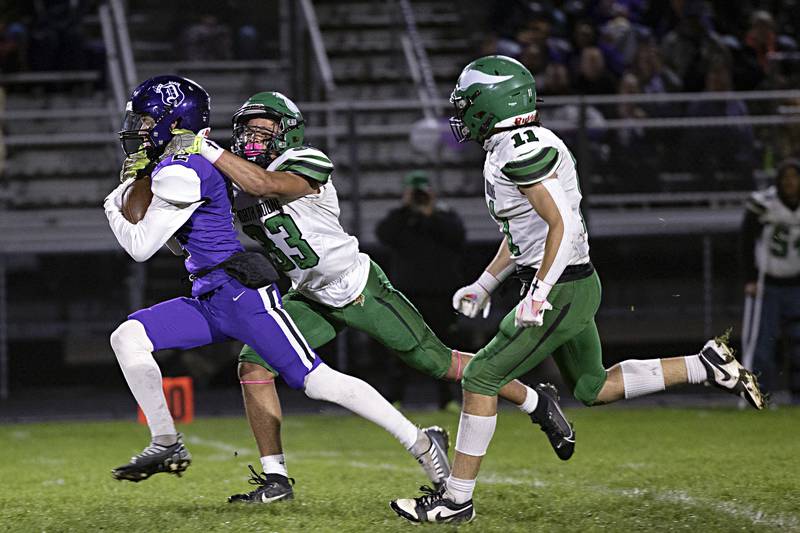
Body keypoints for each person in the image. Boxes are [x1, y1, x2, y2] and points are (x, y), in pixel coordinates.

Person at [390, 55, 766, 524]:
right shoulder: (512, 144)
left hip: (562, 287)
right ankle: (703, 365)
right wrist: (486, 283)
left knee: (480, 377)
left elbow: (562, 224)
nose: (462, 114)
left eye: (468, 104)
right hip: (571, 282)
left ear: (493, 101)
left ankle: (456, 498)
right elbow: (526, 234)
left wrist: (540, 291)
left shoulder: (518, 148)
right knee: (591, 386)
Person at [187, 91, 575, 503]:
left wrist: (203, 147)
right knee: (253, 364)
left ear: (288, 133)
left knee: (438, 362)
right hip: (310, 294)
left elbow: (263, 184)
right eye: (247, 130)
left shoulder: (303, 161)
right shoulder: (236, 177)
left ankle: (535, 400)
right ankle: (276, 478)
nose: (253, 138)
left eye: (265, 130)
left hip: (359, 289)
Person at [104, 76, 450, 488]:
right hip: (210, 293)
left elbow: (140, 246)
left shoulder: (186, 167)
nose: (139, 128)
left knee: (316, 382)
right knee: (128, 337)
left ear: (172, 122)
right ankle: (166, 441)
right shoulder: (176, 166)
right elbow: (182, 247)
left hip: (240, 293)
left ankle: (421, 442)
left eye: (146, 120)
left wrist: (111, 202)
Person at [376, 170, 466, 410]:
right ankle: (395, 397)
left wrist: (429, 214)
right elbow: (384, 234)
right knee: (400, 344)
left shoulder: (443, 216)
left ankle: (447, 398)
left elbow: (457, 236)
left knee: (444, 346)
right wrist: (408, 210)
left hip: (439, 294)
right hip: (408, 294)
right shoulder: (400, 218)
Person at [742, 158, 800, 400]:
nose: (790, 182)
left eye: (794, 177)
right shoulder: (765, 203)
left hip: (797, 284)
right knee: (762, 344)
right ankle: (759, 394)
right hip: (769, 285)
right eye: (785, 177)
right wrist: (750, 278)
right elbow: (745, 240)